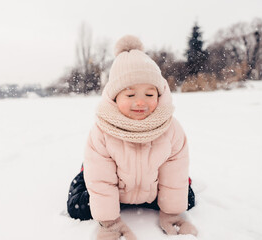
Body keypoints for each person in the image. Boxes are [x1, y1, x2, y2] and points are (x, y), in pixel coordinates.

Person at [67, 35, 198, 240]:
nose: (141, 102)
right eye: (130, 95)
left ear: (160, 94)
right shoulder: (102, 131)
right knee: (78, 206)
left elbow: (174, 171)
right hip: (117, 187)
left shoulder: (171, 129)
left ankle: (138, 198)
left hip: (149, 187)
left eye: (149, 94)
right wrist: (109, 221)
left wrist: (171, 212)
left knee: (186, 199)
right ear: (114, 97)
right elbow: (101, 181)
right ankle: (85, 174)